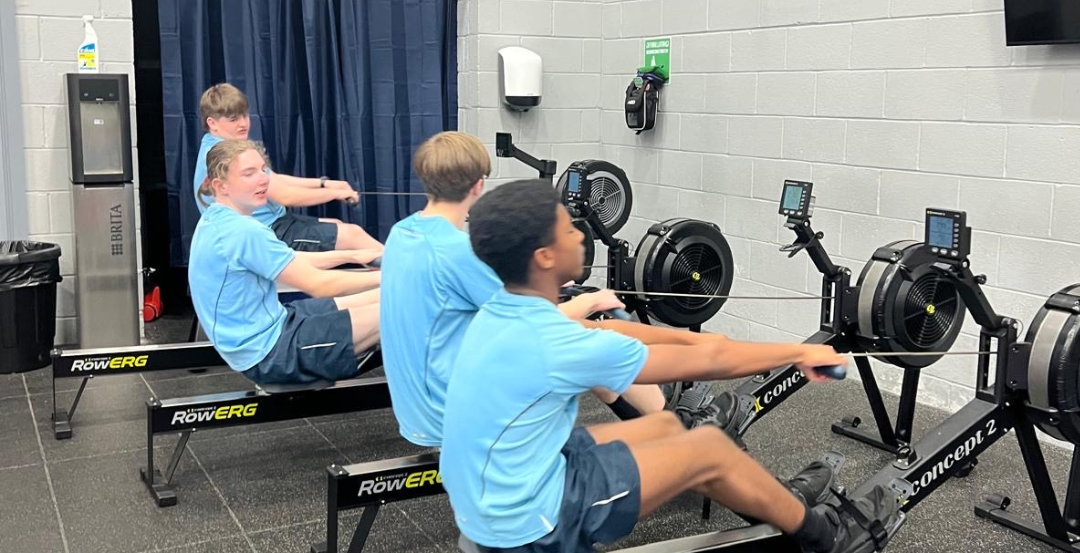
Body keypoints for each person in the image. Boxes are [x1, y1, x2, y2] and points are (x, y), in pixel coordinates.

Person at [439, 180, 903, 553]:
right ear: (544, 256)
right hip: (536, 528)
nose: (580, 236)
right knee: (708, 448)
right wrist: (797, 353)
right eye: (568, 230)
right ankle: (828, 541)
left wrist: (700, 340)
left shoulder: (503, 311)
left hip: (493, 500)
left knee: (668, 425)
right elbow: (713, 362)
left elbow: (627, 335)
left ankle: (775, 498)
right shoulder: (553, 342)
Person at [379, 131, 724, 450]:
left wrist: (550, 285)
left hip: (417, 409)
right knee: (589, 340)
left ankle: (665, 420)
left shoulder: (404, 232)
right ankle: (683, 428)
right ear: (478, 185)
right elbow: (533, 323)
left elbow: (472, 292)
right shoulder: (458, 252)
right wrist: (590, 300)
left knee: (587, 349)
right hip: (454, 415)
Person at [189, 139, 381, 385]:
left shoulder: (215, 219)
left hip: (272, 327)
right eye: (249, 173)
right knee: (401, 306)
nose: (263, 179)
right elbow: (320, 285)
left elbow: (290, 260)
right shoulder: (243, 231)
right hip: (271, 353)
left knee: (383, 295)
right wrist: (393, 274)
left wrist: (351, 256)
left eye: (263, 170)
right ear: (220, 185)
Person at [193, 83, 383, 256]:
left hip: (275, 221)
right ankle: (398, 272)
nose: (243, 124)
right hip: (262, 234)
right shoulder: (224, 155)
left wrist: (324, 183)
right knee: (353, 236)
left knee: (338, 226)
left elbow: (275, 179)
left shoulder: (222, 145)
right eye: (233, 119)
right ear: (212, 123)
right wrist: (335, 193)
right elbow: (285, 196)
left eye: (245, 115)